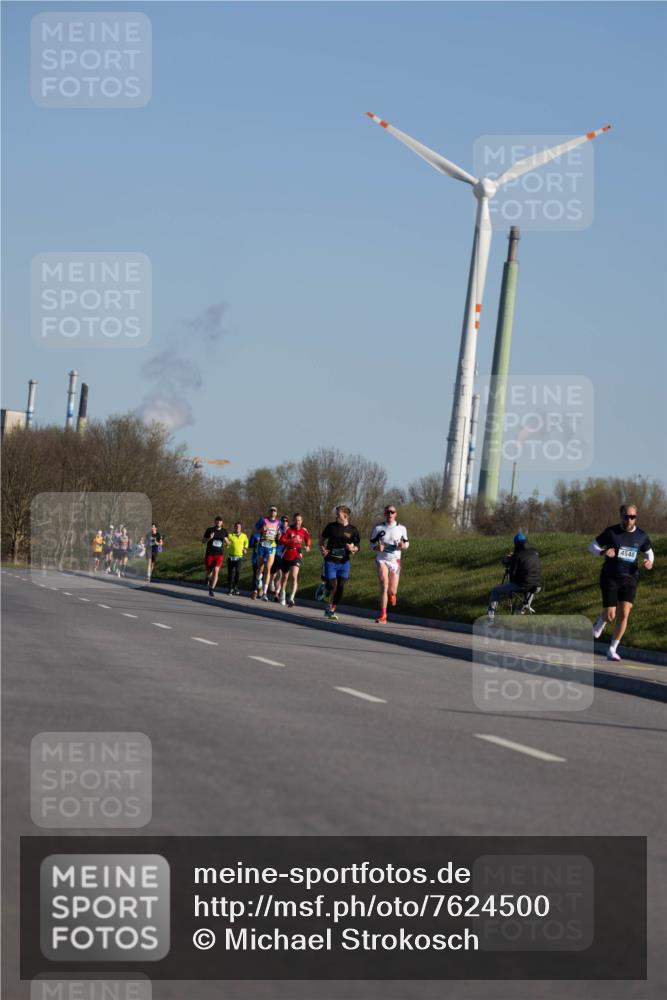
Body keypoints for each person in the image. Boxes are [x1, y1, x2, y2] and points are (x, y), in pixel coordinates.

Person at [589, 503, 654, 661]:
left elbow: (649, 553)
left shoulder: (641, 536)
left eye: (633, 517)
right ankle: (601, 620)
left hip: (630, 578)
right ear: (621, 516)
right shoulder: (611, 532)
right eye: (626, 517)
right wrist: (603, 552)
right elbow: (592, 546)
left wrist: (649, 562)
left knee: (624, 613)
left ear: (635, 518)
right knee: (611, 615)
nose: (629, 520)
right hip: (610, 577)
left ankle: (612, 649)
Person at [486, 532, 542, 622]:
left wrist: (511, 559)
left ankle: (490, 618)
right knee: (529, 588)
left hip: (523, 584)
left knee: (495, 591)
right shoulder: (534, 552)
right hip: (537, 585)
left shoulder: (517, 556)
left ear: (516, 544)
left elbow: (512, 576)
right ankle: (520, 611)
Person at [319, 505, 361, 621]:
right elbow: (322, 540)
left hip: (344, 562)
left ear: (345, 516)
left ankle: (331, 609)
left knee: (340, 587)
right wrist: (322, 549)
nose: (336, 516)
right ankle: (325, 585)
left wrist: (353, 549)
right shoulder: (331, 526)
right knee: (332, 585)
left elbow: (357, 546)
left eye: (338, 514)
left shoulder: (353, 530)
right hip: (331, 561)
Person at [369, 505, 409, 623]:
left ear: (396, 514)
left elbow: (407, 544)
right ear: (385, 514)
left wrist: (403, 546)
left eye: (392, 512)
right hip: (382, 560)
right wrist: (377, 547)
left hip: (395, 561)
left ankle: (392, 594)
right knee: (384, 585)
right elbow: (370, 545)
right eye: (388, 512)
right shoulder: (378, 528)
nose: (390, 514)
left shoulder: (401, 528)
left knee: (392, 590)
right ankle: (383, 615)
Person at [276, 513, 311, 607]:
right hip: (287, 554)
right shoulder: (288, 529)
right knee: (284, 577)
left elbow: (308, 538)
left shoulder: (303, 530)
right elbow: (281, 541)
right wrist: (292, 540)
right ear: (293, 520)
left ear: (302, 521)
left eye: (299, 520)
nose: (297, 522)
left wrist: (307, 546)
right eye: (296, 520)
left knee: (294, 576)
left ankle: (291, 598)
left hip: (297, 554)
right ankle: (282, 594)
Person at [252, 505, 282, 600]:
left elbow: (279, 533)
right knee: (260, 568)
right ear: (269, 512)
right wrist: (261, 530)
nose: (273, 512)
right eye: (271, 510)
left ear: (276, 513)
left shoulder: (279, 522)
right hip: (262, 545)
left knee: (268, 569)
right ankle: (259, 581)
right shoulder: (263, 520)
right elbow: (255, 530)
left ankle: (264, 593)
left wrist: (279, 535)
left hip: (272, 545)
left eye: (274, 510)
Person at [202, 516, 229, 597]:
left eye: (220, 521)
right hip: (210, 553)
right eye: (217, 521)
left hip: (219, 554)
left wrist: (227, 542)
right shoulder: (209, 530)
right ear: (215, 522)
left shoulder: (224, 531)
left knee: (216, 570)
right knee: (209, 571)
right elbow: (203, 541)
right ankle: (207, 578)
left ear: (222, 522)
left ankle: (212, 589)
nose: (218, 523)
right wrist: (209, 538)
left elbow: (228, 543)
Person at [271, 515, 291, 599]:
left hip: (284, 555)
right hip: (276, 553)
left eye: (286, 521)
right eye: (283, 520)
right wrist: (277, 536)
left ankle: (277, 593)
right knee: (273, 574)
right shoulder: (277, 528)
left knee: (281, 575)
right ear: (281, 521)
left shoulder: (290, 530)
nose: (284, 522)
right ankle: (271, 582)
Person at [226, 522, 249, 594]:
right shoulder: (230, 535)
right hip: (230, 557)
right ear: (234, 527)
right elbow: (227, 544)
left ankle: (235, 587)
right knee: (230, 574)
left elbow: (246, 543)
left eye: (239, 527)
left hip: (239, 557)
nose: (237, 528)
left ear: (241, 528)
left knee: (237, 573)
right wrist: (227, 543)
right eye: (236, 527)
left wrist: (245, 549)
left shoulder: (244, 536)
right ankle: (230, 588)